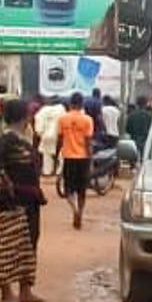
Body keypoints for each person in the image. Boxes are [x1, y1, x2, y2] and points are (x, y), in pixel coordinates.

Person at [0, 98, 47, 302]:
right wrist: (3, 177)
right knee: (10, 244)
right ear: (25, 116)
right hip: (13, 200)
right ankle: (6, 292)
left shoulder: (22, 137)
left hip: (29, 198)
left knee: (29, 242)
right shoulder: (9, 138)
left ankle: (25, 289)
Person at [56, 91, 95, 229]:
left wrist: (57, 155)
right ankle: (81, 212)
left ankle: (74, 210)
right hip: (83, 158)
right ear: (82, 104)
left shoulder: (62, 119)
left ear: (70, 104)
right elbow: (88, 142)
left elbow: (60, 140)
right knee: (81, 190)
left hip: (68, 157)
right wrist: (91, 160)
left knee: (68, 190)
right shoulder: (88, 120)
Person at [34, 93, 66, 178]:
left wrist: (39, 132)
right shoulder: (61, 109)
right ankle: (59, 172)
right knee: (60, 153)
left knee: (47, 154)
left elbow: (38, 119)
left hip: (46, 134)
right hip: (58, 134)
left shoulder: (44, 109)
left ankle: (47, 171)